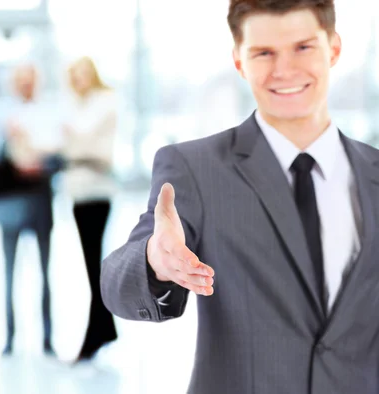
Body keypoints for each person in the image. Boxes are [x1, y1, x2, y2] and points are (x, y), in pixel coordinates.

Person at [101, 1, 379, 393]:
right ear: (239, 61)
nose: (284, 70)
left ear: (333, 48)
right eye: (264, 53)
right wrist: (154, 260)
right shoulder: (195, 167)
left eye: (303, 47)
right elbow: (116, 283)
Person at [0, 63, 60, 357]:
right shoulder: (1, 118)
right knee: (9, 272)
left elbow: (57, 157)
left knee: (45, 272)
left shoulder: (50, 114)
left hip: (40, 199)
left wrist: (40, 164)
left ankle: (47, 338)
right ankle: (10, 337)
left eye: (29, 81)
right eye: (20, 81)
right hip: (11, 203)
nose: (25, 86)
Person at [61, 57, 118, 362]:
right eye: (74, 75)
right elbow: (69, 142)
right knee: (91, 265)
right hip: (78, 191)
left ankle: (97, 334)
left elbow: (82, 140)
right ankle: (103, 329)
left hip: (97, 190)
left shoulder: (104, 102)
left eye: (83, 74)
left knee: (95, 263)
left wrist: (73, 140)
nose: (79, 80)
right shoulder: (76, 105)